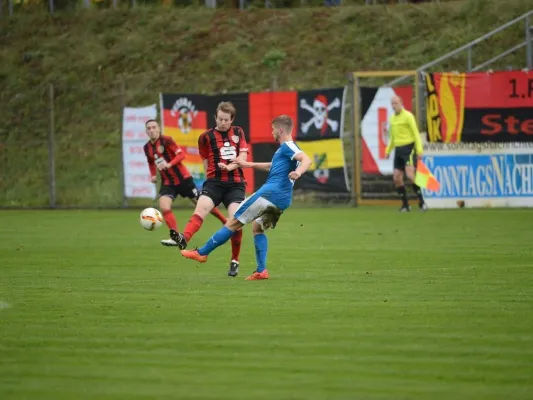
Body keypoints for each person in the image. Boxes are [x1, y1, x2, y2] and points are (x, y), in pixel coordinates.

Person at [180, 115, 312, 280]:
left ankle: (202, 253)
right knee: (257, 228)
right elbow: (274, 166)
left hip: (269, 194)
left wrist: (298, 173)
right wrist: (250, 165)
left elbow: (307, 159)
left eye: (272, 129)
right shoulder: (287, 150)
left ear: (280, 129)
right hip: (283, 199)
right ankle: (261, 271)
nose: (272, 133)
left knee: (234, 222)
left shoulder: (288, 146)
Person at [170, 102, 248, 277]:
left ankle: (235, 260)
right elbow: (205, 160)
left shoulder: (238, 132)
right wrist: (210, 177)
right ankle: (185, 238)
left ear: (232, 120)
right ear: (215, 117)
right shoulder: (205, 137)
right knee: (201, 209)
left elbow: (243, 155)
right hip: (214, 183)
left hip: (235, 184)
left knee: (235, 221)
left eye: (226, 120)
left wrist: (229, 167)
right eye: (220, 119)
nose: (222, 122)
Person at [143, 119, 227, 246]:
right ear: (146, 132)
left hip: (183, 179)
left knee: (202, 204)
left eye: (154, 127)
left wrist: (169, 164)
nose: (151, 130)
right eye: (149, 128)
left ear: (159, 128)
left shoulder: (167, 140)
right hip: (168, 182)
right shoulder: (147, 148)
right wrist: (153, 175)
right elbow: (150, 162)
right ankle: (175, 236)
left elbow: (181, 155)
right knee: (164, 206)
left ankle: (225, 221)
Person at [385, 95, 427, 212]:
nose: (394, 106)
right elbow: (392, 137)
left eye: (396, 103)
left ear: (401, 102)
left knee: (410, 175)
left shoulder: (408, 116)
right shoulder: (392, 118)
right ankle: (405, 205)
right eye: (392, 104)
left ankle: (422, 202)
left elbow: (415, 134)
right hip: (398, 150)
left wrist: (419, 150)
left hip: (408, 149)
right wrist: (388, 150)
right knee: (396, 178)